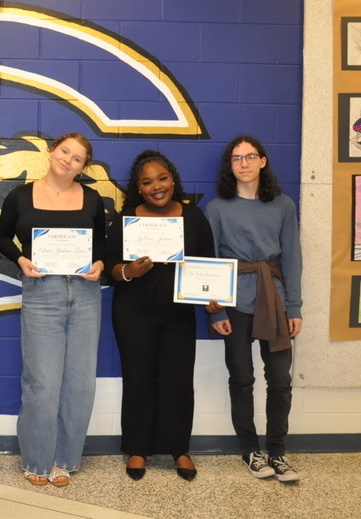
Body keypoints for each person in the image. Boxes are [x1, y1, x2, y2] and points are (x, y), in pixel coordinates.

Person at [0, 132, 106, 487]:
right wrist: (21, 259)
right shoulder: (20, 196)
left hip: (86, 293)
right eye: (64, 151)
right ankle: (37, 459)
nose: (68, 160)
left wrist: (100, 263)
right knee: (42, 382)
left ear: (83, 167)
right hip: (42, 291)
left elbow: (101, 240)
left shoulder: (92, 198)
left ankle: (66, 459)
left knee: (79, 382)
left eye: (77, 158)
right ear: (51, 151)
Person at [105, 150, 215, 482]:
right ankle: (138, 448)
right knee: (138, 379)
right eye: (148, 181)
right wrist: (130, 271)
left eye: (162, 178)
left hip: (178, 314)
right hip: (132, 313)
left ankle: (179, 448)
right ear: (138, 187)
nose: (157, 186)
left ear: (173, 179)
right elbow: (111, 269)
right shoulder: (126, 219)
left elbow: (207, 265)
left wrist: (213, 298)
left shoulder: (194, 217)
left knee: (177, 379)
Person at [205, 135, 303, 483]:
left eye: (250, 156)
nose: (243, 163)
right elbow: (209, 260)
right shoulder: (217, 208)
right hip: (233, 302)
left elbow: (292, 259)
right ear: (229, 166)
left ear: (262, 161)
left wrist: (294, 307)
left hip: (274, 299)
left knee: (280, 380)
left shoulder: (283, 205)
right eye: (236, 158)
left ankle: (277, 452)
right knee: (242, 378)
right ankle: (251, 450)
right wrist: (215, 311)